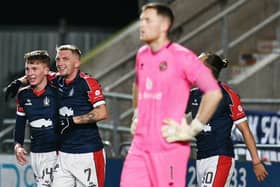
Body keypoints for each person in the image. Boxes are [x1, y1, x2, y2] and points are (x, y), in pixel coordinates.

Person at [120, 3, 223, 187]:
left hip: (168, 147)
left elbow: (213, 92)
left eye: (147, 20)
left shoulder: (182, 57)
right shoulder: (142, 54)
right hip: (140, 146)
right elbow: (138, 84)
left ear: (164, 26)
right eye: (141, 19)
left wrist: (193, 128)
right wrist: (136, 113)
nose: (141, 25)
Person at [5, 44, 108, 187]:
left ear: (77, 62)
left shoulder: (87, 82)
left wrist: (72, 120)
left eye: (65, 59)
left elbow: (102, 112)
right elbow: (37, 72)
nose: (60, 63)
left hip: (88, 152)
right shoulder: (56, 79)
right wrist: (19, 82)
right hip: (64, 154)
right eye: (58, 59)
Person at [167, 52, 269, 186]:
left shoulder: (228, 96)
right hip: (201, 158)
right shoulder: (193, 95)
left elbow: (245, 131)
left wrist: (256, 162)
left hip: (220, 157)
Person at [13, 50, 59, 186]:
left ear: (46, 71)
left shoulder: (58, 92)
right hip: (36, 153)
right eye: (27, 69)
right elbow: (20, 124)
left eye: (34, 69)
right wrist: (18, 146)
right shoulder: (23, 95)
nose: (30, 73)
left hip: (57, 153)